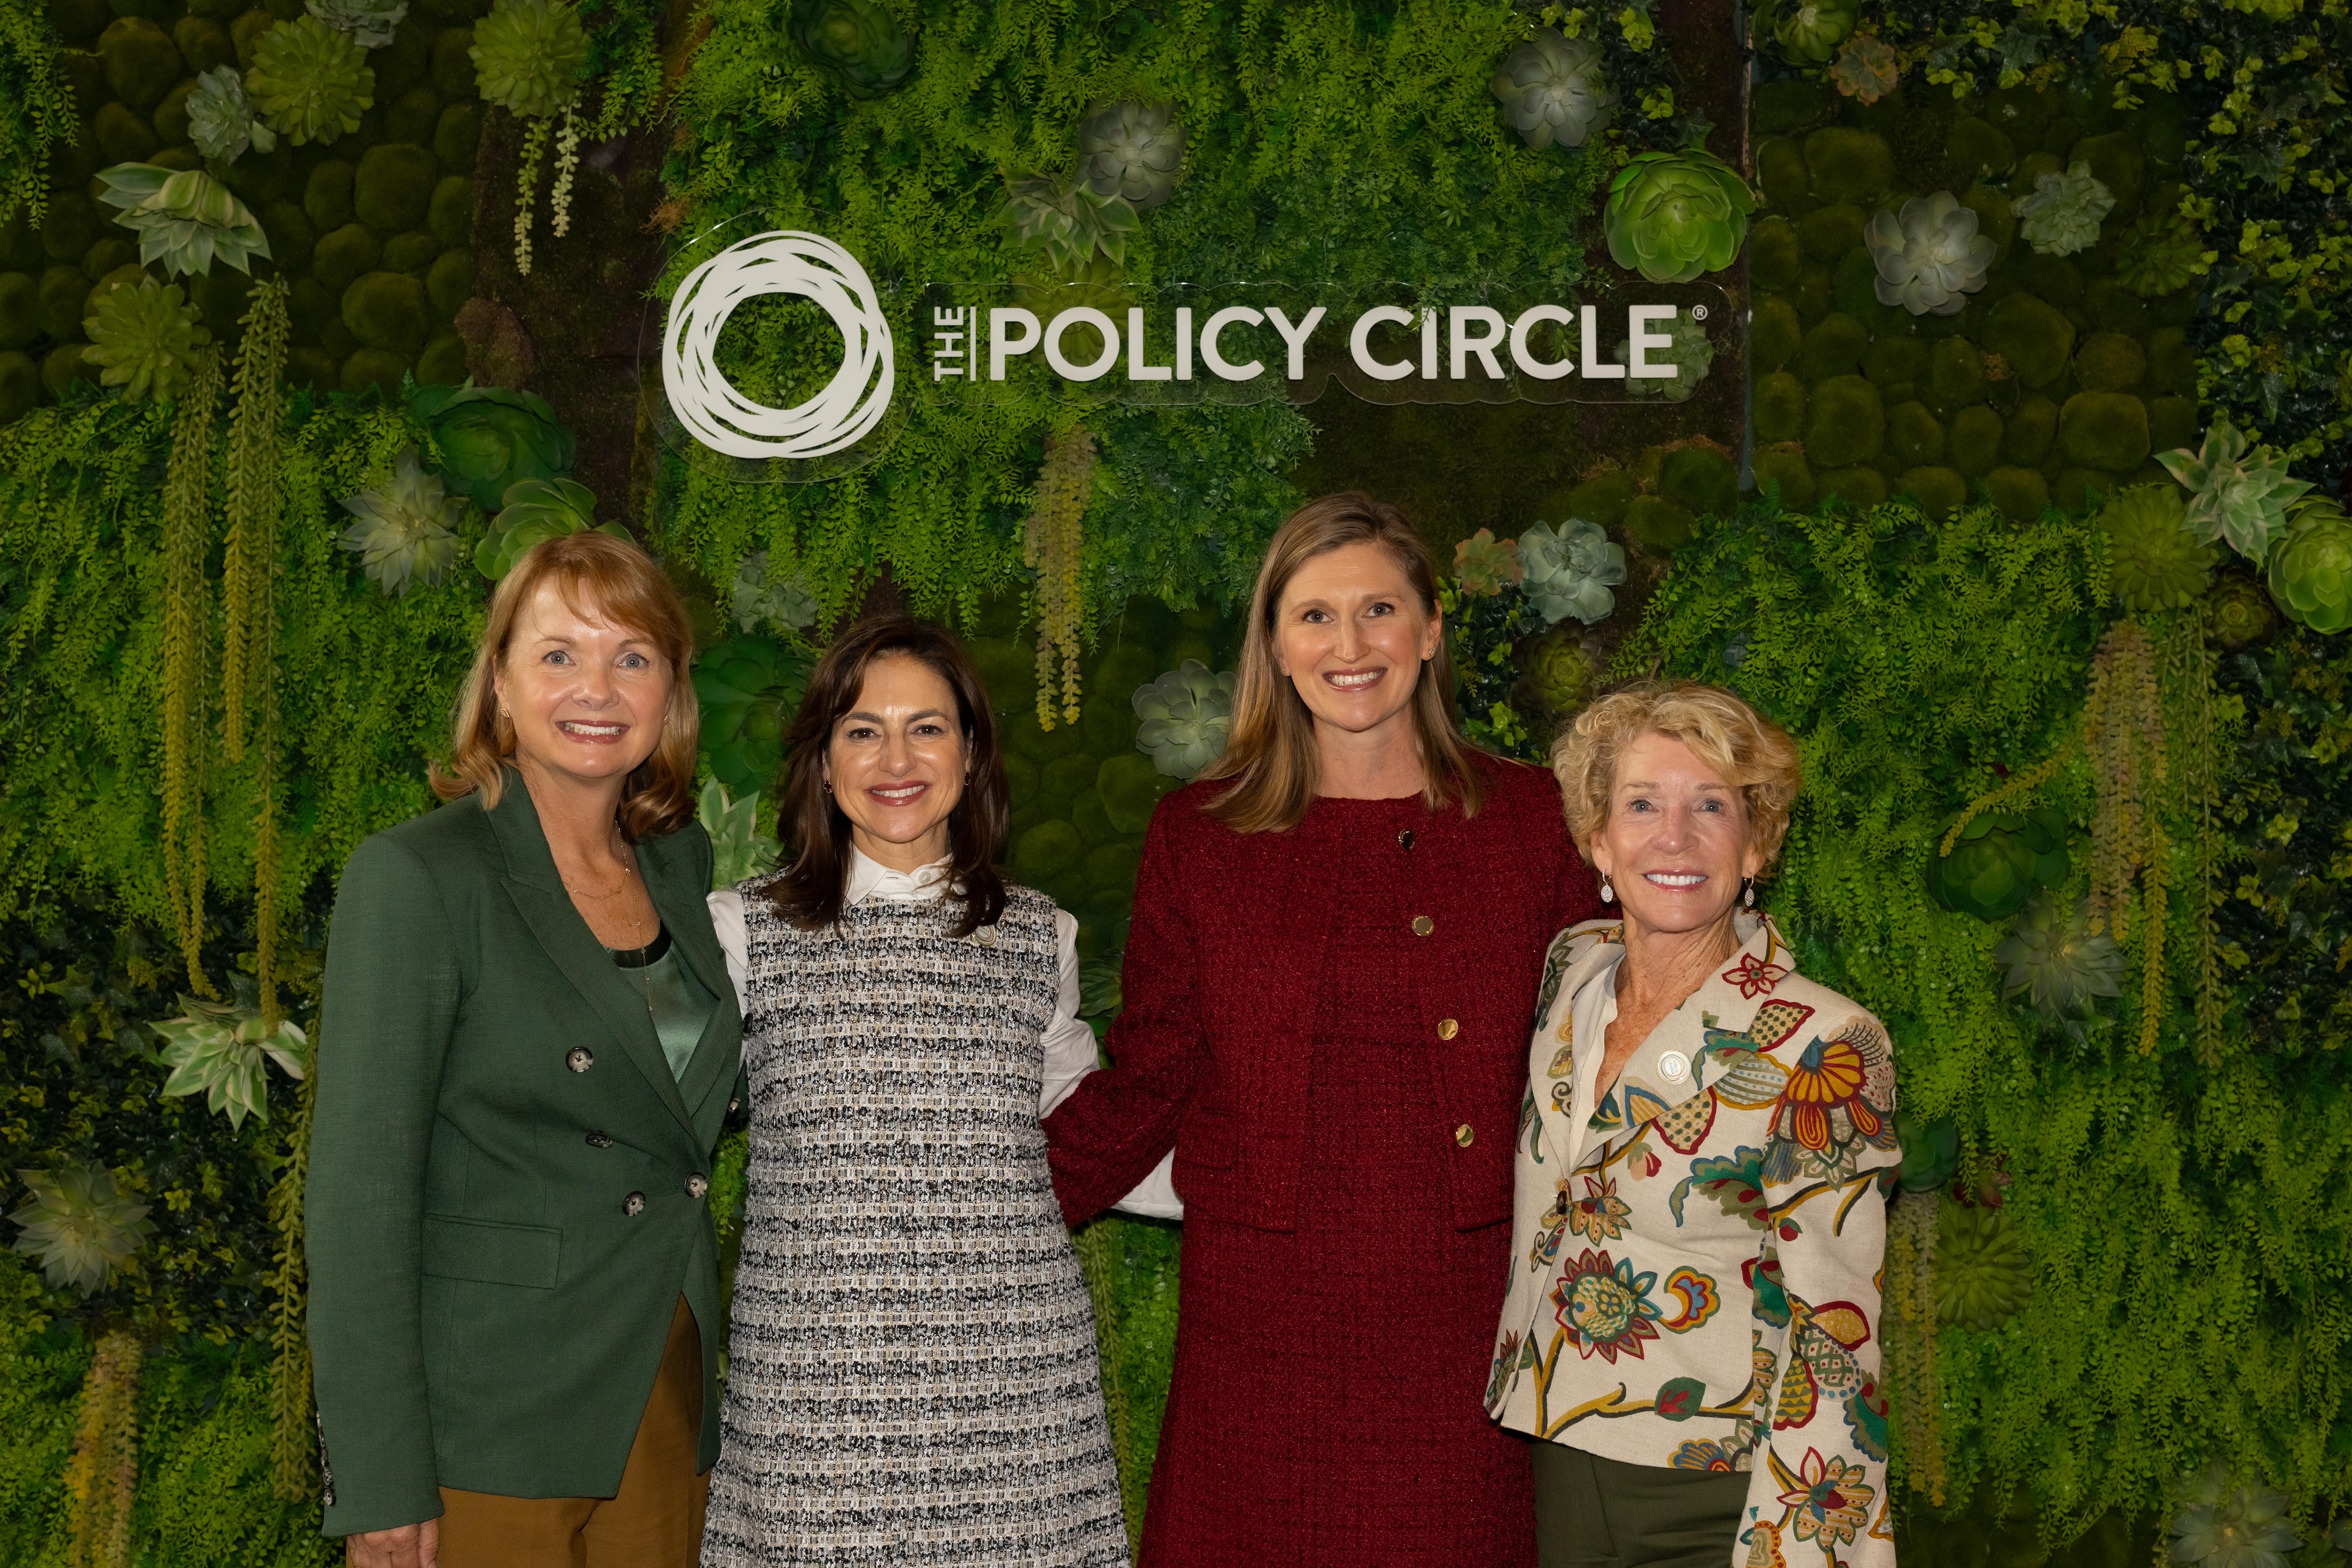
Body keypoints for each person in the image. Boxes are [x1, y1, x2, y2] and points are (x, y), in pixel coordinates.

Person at [1041, 492, 1602, 1566]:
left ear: (1430, 632)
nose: (1350, 646)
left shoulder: (1536, 819)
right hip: (1261, 1326)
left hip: (1469, 1312)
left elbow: (1615, 1039)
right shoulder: (1199, 836)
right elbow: (1153, 1074)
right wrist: (987, 1214)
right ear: (1275, 646)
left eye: (1379, 610)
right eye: (1314, 616)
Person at [308, 533, 744, 1568]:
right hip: (488, 1416)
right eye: (558, 655)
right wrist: (378, 1475)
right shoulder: (418, 878)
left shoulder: (679, 862)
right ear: (500, 682)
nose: (597, 687)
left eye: (632, 657)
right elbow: (358, 1203)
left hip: (661, 1389)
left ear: (670, 694)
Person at [699, 614, 1143, 1568]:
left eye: (927, 727)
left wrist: (1288, 1176)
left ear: (972, 751)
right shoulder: (743, 933)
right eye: (862, 730)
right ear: (822, 761)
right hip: (817, 1417)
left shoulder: (1039, 937)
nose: (894, 757)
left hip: (1018, 1410)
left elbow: (1091, 1130)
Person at [1485, 682, 1898, 1568]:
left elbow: (1838, 1329)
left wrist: (1810, 1542)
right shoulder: (1572, 975)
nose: (1673, 838)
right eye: (1642, 805)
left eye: (1710, 806)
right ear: (1599, 840)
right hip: (1557, 1452)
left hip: (1719, 1491)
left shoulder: (1827, 1043)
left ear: (1756, 846)